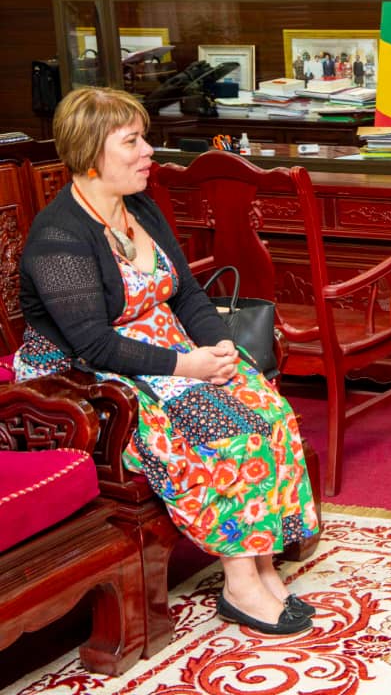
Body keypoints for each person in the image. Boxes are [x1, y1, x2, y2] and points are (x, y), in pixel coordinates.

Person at [16, 86, 320, 636]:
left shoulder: (141, 207)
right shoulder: (57, 237)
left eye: (144, 138)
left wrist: (221, 348)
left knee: (269, 411)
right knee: (228, 430)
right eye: (132, 141)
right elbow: (94, 344)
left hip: (168, 352)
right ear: (90, 153)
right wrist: (191, 368)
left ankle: (260, 561)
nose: (148, 151)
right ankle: (239, 584)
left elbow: (186, 295)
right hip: (87, 379)